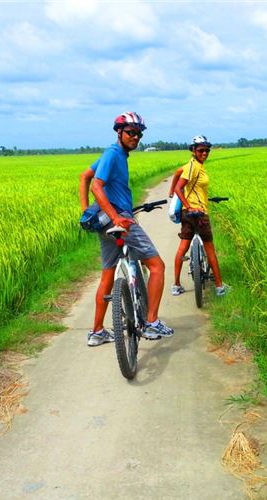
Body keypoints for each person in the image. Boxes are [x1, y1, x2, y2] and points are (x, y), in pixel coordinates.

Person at [79, 111, 174, 346]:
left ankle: (97, 332)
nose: (136, 138)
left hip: (104, 223)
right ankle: (151, 322)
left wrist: (86, 212)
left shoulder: (114, 154)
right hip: (118, 219)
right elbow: (96, 187)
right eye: (131, 132)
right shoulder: (113, 154)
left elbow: (84, 177)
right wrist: (117, 217)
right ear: (119, 132)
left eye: (139, 134)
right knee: (157, 266)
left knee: (107, 276)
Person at [170, 135, 229, 297]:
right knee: (210, 249)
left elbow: (177, 174)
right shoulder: (193, 167)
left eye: (207, 150)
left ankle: (176, 285)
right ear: (193, 151)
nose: (205, 153)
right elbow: (179, 188)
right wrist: (189, 205)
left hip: (187, 214)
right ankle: (219, 286)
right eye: (201, 150)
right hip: (198, 213)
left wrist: (171, 193)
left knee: (183, 247)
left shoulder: (191, 166)